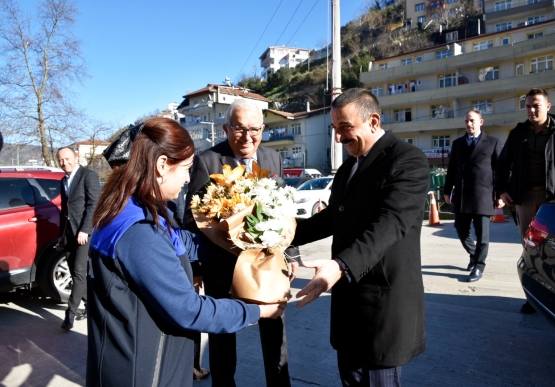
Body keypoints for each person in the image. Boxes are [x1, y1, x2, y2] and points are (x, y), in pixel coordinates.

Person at [86, 117, 285, 387]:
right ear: (162, 166)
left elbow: (184, 243)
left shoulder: (138, 210)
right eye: (187, 168)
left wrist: (246, 244)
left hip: (148, 359)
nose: (189, 178)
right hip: (143, 371)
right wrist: (256, 311)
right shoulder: (139, 232)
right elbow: (189, 310)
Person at [292, 88, 429, 387]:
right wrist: (285, 233)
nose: (339, 138)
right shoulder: (347, 168)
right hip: (348, 303)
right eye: (334, 129)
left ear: (374, 121)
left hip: (382, 303)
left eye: (345, 128)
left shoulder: (407, 160)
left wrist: (340, 266)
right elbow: (332, 217)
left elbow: (391, 223)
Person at [179, 99, 295, 387]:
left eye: (254, 129)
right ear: (225, 128)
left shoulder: (272, 158)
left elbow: (283, 212)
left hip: (267, 263)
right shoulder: (208, 161)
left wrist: (290, 254)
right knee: (222, 336)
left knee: (274, 329)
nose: (247, 137)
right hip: (222, 265)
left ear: (263, 128)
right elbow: (192, 218)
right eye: (239, 129)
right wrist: (196, 267)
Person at [495, 87, 555, 314]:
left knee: (553, 247)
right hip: (525, 198)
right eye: (527, 106)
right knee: (530, 247)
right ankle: (533, 298)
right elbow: (502, 164)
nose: (531, 110)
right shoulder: (518, 133)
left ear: (547, 107)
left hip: (552, 199)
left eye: (536, 105)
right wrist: (501, 191)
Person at [443, 111, 502, 282]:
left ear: (481, 122)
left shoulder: (492, 142)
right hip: (462, 194)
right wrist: (447, 191)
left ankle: (478, 266)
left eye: (472, 121)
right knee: (460, 229)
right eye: (466, 121)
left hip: (483, 194)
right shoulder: (458, 144)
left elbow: (500, 171)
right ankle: (473, 253)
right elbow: (452, 168)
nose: (469, 124)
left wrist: (500, 194)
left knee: (482, 234)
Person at [57, 147, 100, 330]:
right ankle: (92, 306)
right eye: (60, 160)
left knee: (79, 272)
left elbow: (94, 204)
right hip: (68, 233)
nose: (64, 162)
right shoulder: (63, 180)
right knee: (76, 274)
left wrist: (85, 229)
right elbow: (65, 209)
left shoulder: (87, 175)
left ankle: (70, 314)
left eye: (67, 158)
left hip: (83, 234)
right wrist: (61, 235)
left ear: (77, 157)